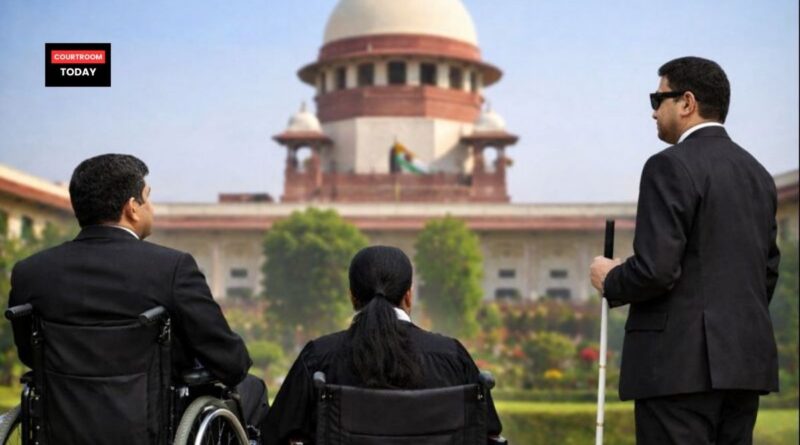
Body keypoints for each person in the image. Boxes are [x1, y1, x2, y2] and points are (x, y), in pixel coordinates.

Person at [8, 154, 268, 443]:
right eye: (148, 198)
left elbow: (30, 354)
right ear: (132, 208)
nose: (152, 207)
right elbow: (230, 362)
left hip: (64, 423)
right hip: (148, 426)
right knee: (252, 389)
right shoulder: (171, 268)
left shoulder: (30, 272)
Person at [589, 57, 780, 445]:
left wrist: (610, 277)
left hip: (676, 370)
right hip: (742, 368)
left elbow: (657, 270)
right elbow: (766, 272)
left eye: (657, 99)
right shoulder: (757, 174)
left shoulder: (669, 166)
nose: (653, 112)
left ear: (687, 102)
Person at [262, 245, 502, 443]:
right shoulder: (451, 357)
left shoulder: (319, 359)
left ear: (352, 296)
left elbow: (275, 435)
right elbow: (489, 433)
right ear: (408, 295)